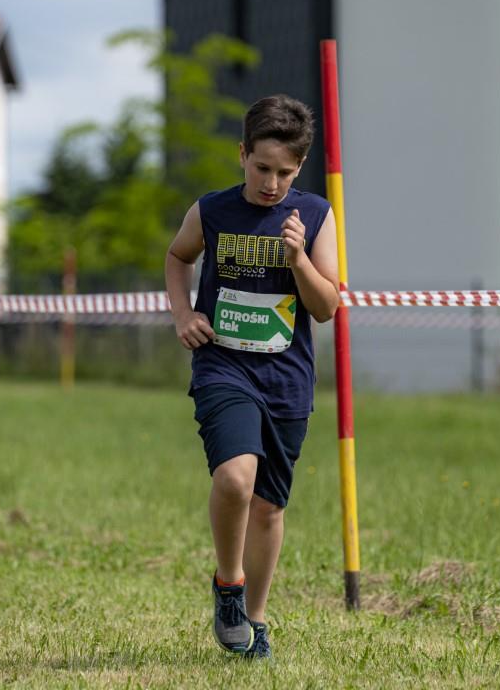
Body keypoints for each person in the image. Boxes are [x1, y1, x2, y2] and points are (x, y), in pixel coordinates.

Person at [165, 95, 340, 659]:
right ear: (242, 154)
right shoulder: (212, 211)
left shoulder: (316, 215)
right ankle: (229, 586)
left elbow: (326, 307)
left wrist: (299, 260)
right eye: (262, 168)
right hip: (224, 365)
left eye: (284, 172)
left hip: (286, 377)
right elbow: (178, 257)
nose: (271, 183)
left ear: (300, 167)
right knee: (236, 480)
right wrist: (183, 314)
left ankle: (255, 620)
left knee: (268, 506)